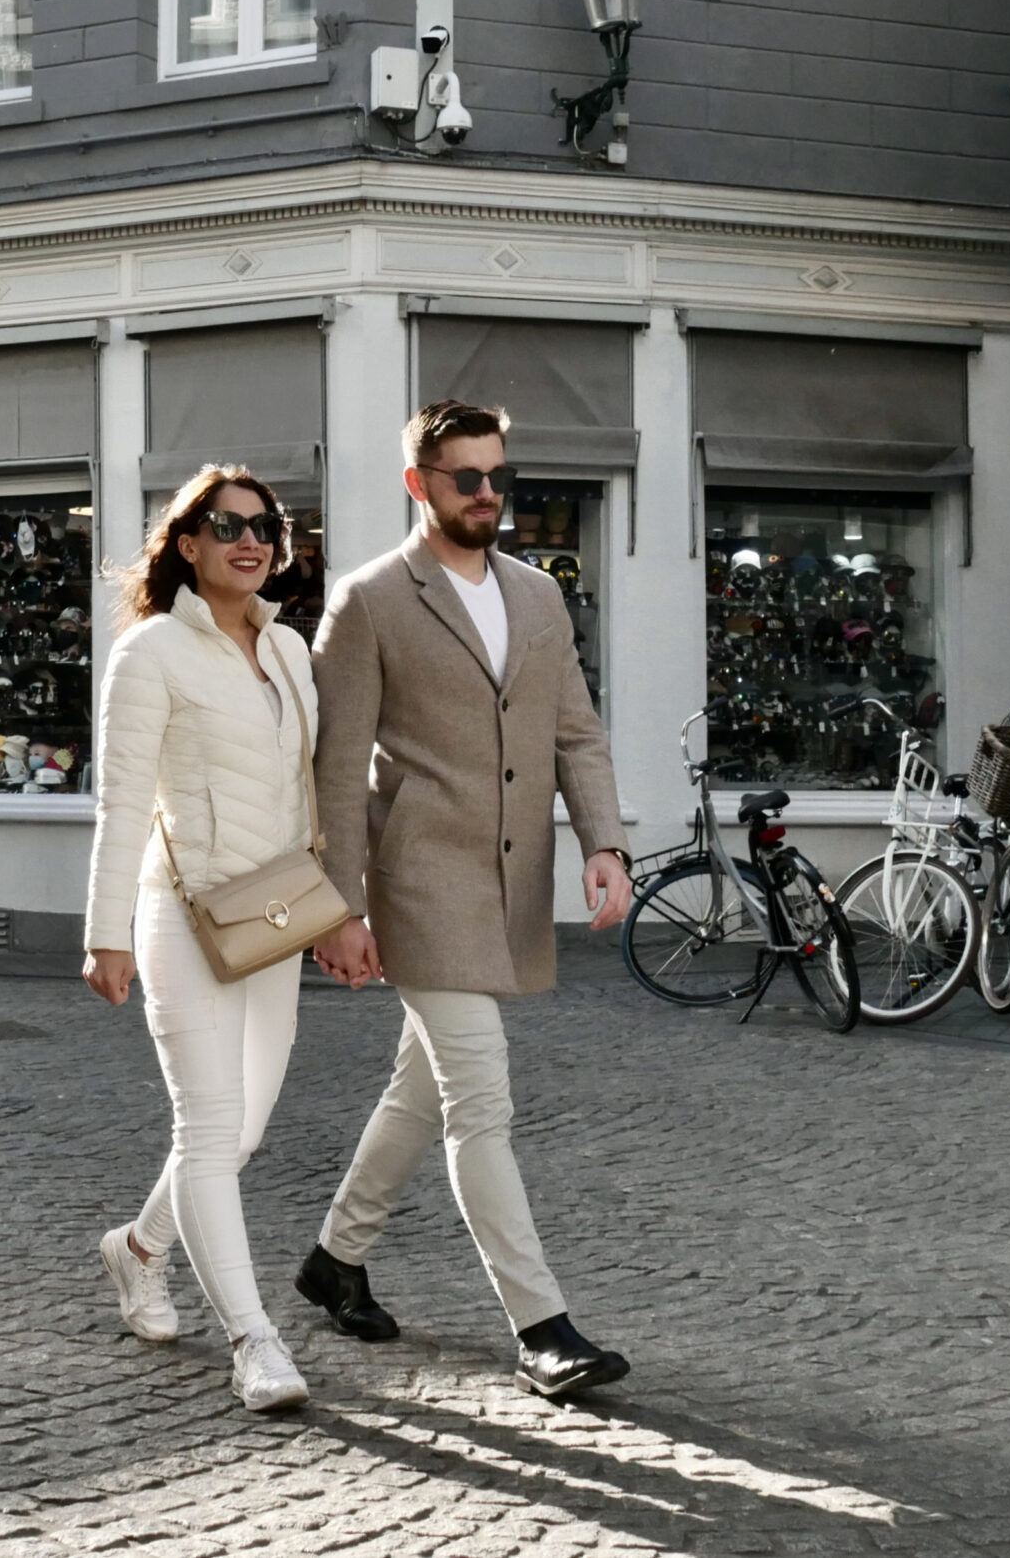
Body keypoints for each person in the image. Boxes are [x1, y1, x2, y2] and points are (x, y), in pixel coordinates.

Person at [300, 400, 636, 1401]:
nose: (488, 492)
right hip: (418, 879)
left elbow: (575, 731)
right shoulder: (368, 600)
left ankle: (335, 1257)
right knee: (480, 1098)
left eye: (499, 475)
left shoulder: (537, 593)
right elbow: (336, 768)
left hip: (510, 879)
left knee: (421, 1086)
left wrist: (605, 842)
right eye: (467, 477)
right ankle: (542, 1327)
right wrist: (340, 907)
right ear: (420, 484)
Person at [80, 468, 334, 1413]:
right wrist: (105, 933)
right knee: (209, 1124)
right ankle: (253, 1339)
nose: (250, 540)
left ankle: (139, 1247)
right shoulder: (149, 652)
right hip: (180, 913)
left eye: (265, 526)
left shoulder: (290, 648)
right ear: (187, 545)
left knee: (245, 1130)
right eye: (227, 526)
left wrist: (338, 909)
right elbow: (120, 802)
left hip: (276, 911)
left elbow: (309, 789)